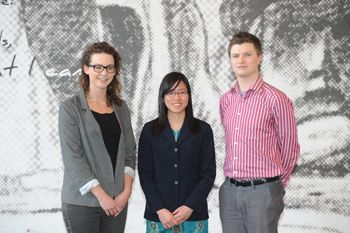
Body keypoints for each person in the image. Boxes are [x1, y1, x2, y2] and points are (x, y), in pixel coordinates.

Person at [219, 31, 300, 233]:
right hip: (229, 192)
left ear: (259, 57)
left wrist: (278, 186)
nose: (241, 60)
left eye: (247, 54)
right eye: (235, 55)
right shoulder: (226, 100)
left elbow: (290, 148)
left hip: (263, 192)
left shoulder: (276, 99)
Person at [58, 41, 136, 233]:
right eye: (98, 67)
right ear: (86, 69)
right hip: (82, 204)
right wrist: (102, 197)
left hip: (117, 203)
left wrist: (126, 193)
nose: (104, 73)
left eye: (110, 67)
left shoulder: (121, 107)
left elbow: (129, 153)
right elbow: (73, 158)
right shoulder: (70, 108)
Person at [138, 72, 216, 233]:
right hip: (160, 216)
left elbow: (208, 174)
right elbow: (145, 174)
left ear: (188, 95)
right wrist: (159, 209)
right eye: (171, 92)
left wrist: (189, 207)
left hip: (194, 214)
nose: (177, 98)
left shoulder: (203, 130)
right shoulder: (149, 130)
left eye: (182, 92)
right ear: (163, 96)